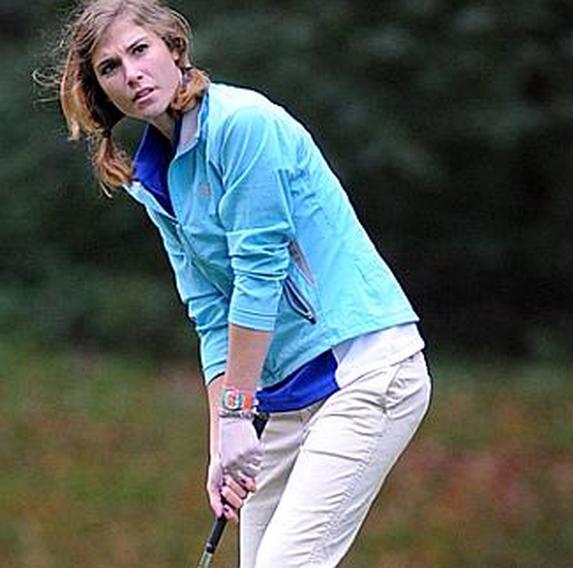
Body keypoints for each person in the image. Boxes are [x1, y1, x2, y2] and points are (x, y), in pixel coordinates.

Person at [50, 1, 432, 566]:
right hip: (283, 400)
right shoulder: (156, 173)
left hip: (366, 373)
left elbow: (260, 276)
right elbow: (209, 311)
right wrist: (221, 443)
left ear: (174, 50)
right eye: (109, 68)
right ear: (101, 90)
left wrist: (236, 414)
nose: (130, 74)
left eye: (140, 50)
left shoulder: (242, 125)